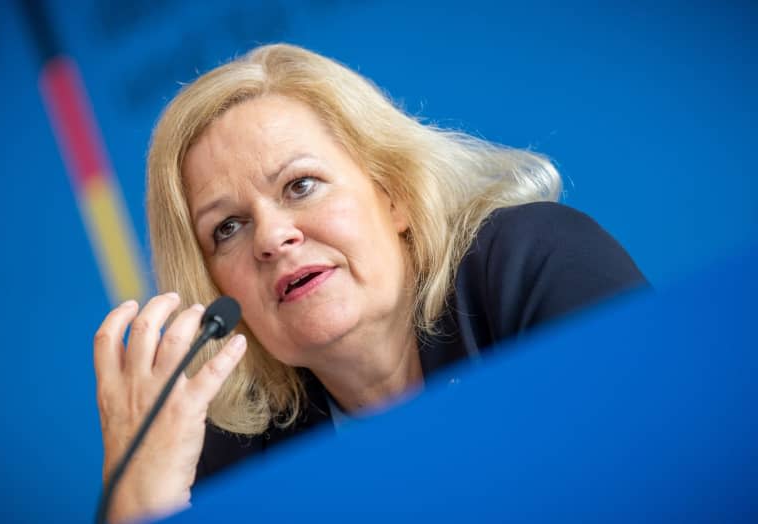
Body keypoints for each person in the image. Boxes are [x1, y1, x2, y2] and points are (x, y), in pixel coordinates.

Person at [93, 44, 646, 523]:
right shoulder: (236, 447)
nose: (271, 236)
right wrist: (140, 499)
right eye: (228, 228)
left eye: (300, 185)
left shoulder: (532, 262)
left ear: (393, 194)